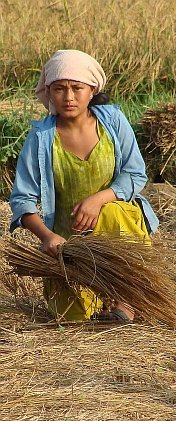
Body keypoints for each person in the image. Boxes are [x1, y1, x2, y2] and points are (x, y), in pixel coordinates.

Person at [10, 49, 159, 322]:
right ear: (49, 93)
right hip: (71, 247)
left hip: (118, 237)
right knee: (76, 319)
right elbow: (22, 200)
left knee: (112, 211)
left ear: (92, 90)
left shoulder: (112, 122)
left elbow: (135, 174)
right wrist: (48, 237)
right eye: (59, 89)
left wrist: (99, 199)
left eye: (76, 88)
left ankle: (127, 298)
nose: (68, 97)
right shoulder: (42, 137)